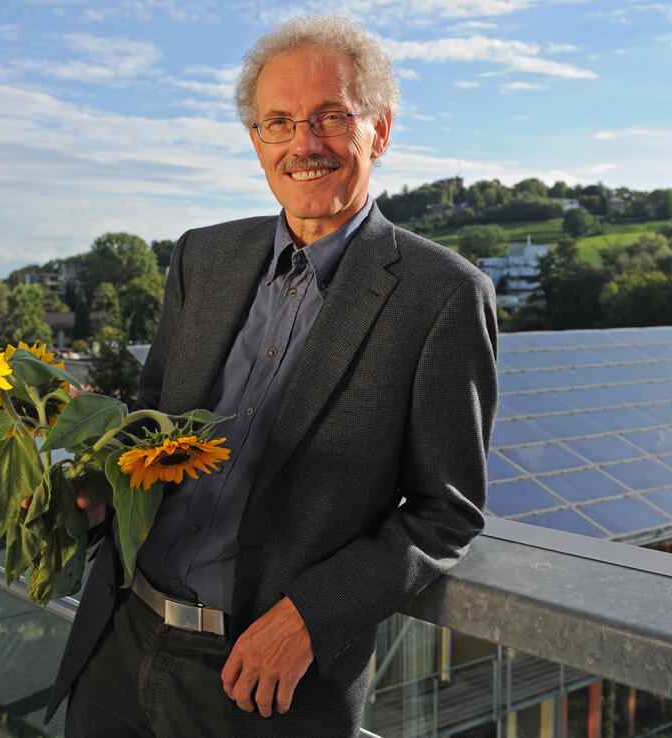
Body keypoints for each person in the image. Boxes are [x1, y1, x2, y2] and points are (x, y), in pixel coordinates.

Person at [46, 14, 498, 738]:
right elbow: (154, 412)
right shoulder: (203, 257)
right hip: (120, 637)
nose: (303, 146)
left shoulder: (442, 294)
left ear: (378, 130)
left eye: (329, 118)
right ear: (255, 139)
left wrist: (314, 615)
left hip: (261, 682)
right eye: (278, 123)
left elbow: (446, 514)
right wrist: (104, 485)